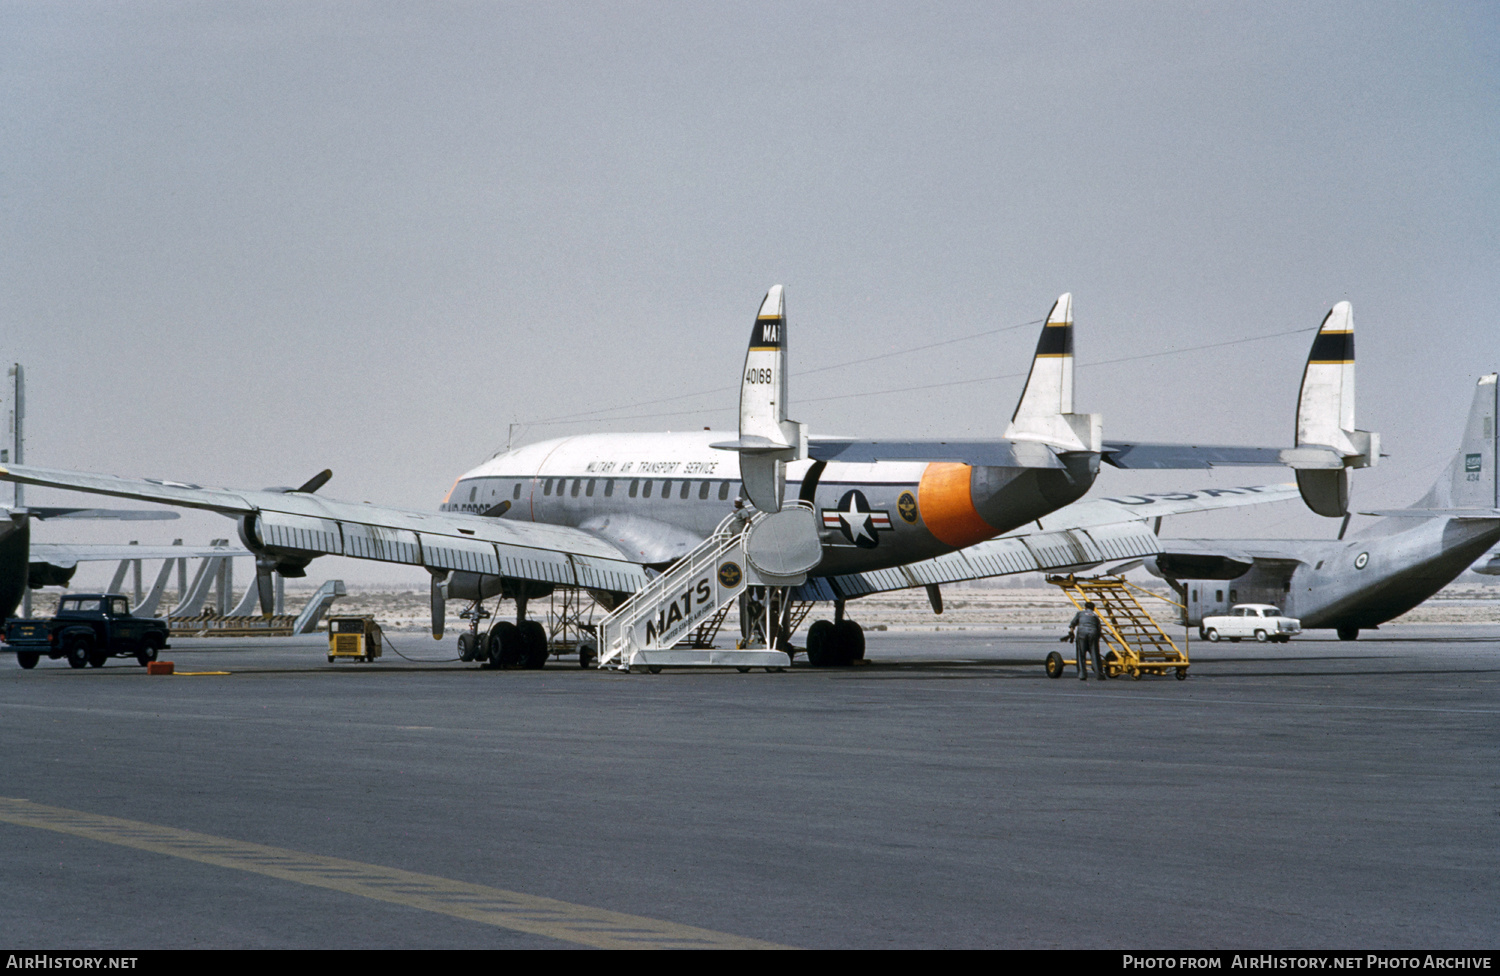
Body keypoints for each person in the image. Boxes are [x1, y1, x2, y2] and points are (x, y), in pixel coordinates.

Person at [1066, 601, 1105, 680]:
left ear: (1085, 607)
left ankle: (1082, 674)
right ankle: (1099, 674)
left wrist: (1071, 632)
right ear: (1093, 608)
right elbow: (1099, 629)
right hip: (1093, 633)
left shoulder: (1080, 613)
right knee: (1094, 654)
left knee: (1081, 654)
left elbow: (1073, 624)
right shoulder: (1095, 616)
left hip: (1082, 633)